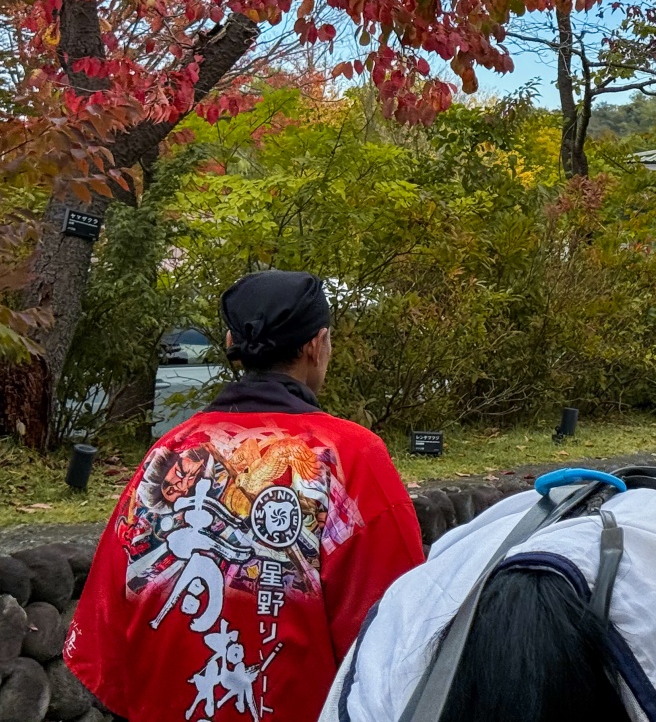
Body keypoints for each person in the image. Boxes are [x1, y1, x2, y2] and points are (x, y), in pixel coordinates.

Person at [66, 270, 424, 722]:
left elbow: (108, 628)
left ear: (233, 339)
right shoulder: (350, 456)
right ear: (318, 343)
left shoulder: (171, 448)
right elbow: (393, 631)